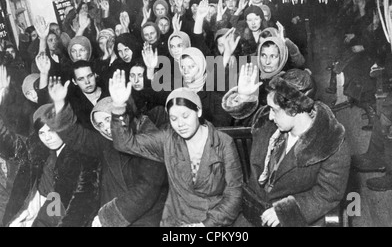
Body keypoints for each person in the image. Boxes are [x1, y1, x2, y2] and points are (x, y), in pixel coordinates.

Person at [109, 72, 243, 227]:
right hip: (177, 219)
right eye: (174, 119)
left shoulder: (224, 142)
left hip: (214, 219)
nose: (180, 124)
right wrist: (118, 108)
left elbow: (234, 193)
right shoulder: (168, 139)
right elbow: (124, 143)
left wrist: (206, 225)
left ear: (198, 111)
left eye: (185, 116)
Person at [222, 66, 351, 227]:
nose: (269, 115)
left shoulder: (331, 143)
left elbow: (328, 193)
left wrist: (285, 211)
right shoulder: (268, 121)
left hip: (292, 220)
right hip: (251, 213)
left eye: (274, 110)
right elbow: (241, 118)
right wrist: (243, 96)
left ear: (294, 109)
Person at [41, 77, 168, 227]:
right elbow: (78, 137)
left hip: (144, 219)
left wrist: (107, 218)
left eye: (108, 119)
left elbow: (146, 190)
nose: (105, 127)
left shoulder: (149, 139)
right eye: (100, 124)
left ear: (124, 115)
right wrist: (60, 105)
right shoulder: (107, 143)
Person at [0, 66, 99, 227]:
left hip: (57, 210)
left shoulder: (76, 156)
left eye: (52, 130)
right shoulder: (40, 148)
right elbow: (10, 144)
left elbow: (62, 204)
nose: (48, 138)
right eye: (42, 133)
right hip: (37, 202)